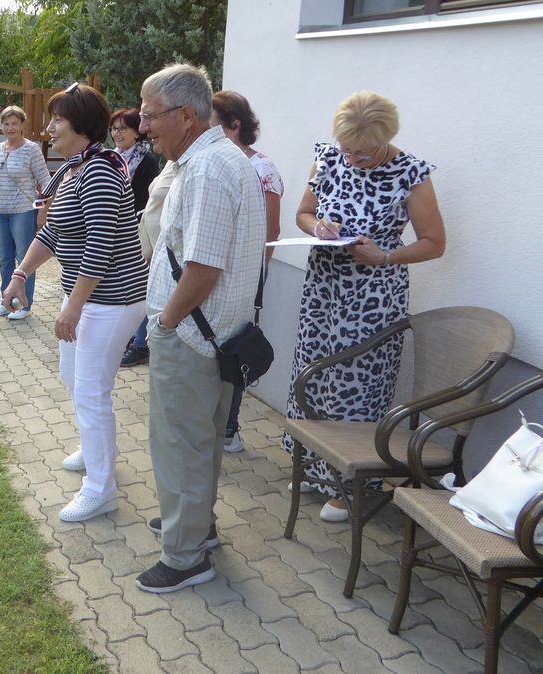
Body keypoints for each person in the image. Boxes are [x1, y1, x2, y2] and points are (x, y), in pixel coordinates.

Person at [282, 91, 445, 522]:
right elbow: (302, 213)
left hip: (374, 295)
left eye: (364, 153)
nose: (353, 158)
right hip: (323, 287)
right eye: (347, 149)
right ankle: (316, 470)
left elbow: (434, 243)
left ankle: (351, 484)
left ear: (385, 139)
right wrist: (317, 224)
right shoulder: (331, 157)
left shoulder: (410, 172)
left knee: (358, 387)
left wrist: (386, 255)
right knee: (314, 373)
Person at [134, 64, 265, 593]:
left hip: (190, 335)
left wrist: (165, 321)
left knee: (179, 444)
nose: (144, 126)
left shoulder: (209, 169)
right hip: (218, 334)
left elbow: (203, 269)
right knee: (202, 440)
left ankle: (185, 556)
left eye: (149, 115)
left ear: (186, 115)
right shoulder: (218, 160)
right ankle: (195, 526)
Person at [2, 82, 148, 524]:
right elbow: (52, 232)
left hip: (114, 298)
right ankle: (94, 444)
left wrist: (74, 306)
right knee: (74, 376)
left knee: (90, 390)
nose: (48, 128)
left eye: (57, 120)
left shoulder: (101, 170)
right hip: (87, 295)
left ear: (82, 126)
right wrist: (21, 273)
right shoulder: (72, 169)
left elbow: (100, 247)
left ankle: (101, 489)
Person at [210, 90, 284, 454]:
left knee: (233, 349)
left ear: (235, 125)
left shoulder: (262, 168)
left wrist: (252, 278)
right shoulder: (210, 161)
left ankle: (229, 429)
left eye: (214, 123)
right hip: (208, 271)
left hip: (243, 275)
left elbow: (270, 233)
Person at [0, 106, 51, 321]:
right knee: (4, 260)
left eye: (14, 123)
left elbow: (46, 183)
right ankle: (6, 302)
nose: (10, 127)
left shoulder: (31, 149)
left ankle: (24, 305)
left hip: (22, 211)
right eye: (6, 124)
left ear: (22, 125)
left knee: (24, 260)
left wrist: (43, 213)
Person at [110, 107, 161, 368]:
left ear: (136, 133)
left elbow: (146, 201)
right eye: (114, 128)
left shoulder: (147, 160)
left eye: (123, 128)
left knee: (140, 288)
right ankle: (131, 338)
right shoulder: (112, 158)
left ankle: (140, 344)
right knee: (123, 287)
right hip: (117, 231)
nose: (117, 133)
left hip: (137, 231)